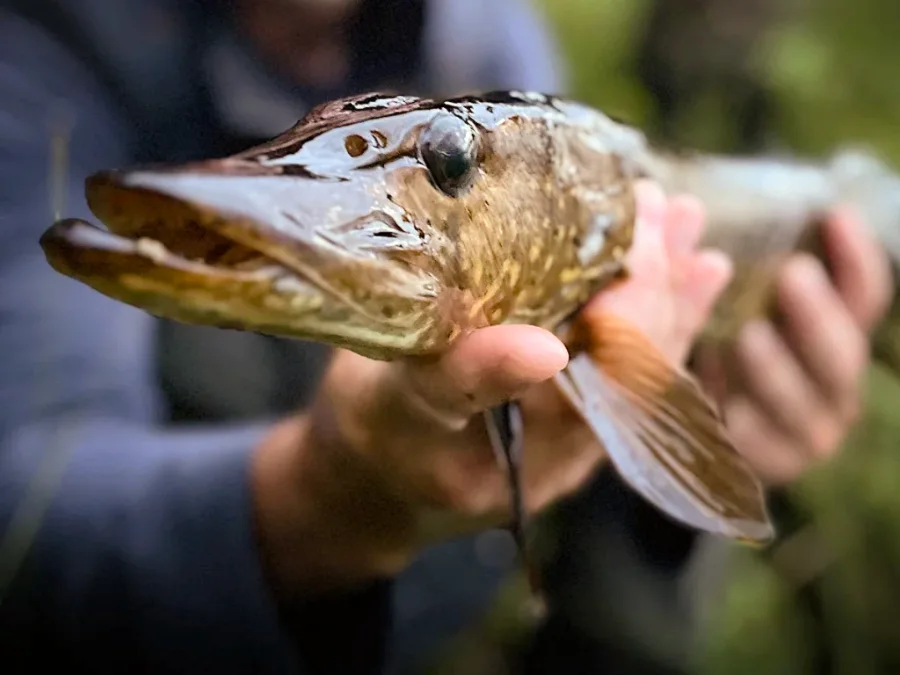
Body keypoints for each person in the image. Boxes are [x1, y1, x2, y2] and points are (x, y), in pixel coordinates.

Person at [0, 2, 890, 675]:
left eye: (449, 162)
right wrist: (334, 494)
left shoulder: (484, 31)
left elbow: (637, 409)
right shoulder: (40, 51)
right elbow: (25, 507)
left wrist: (702, 439)